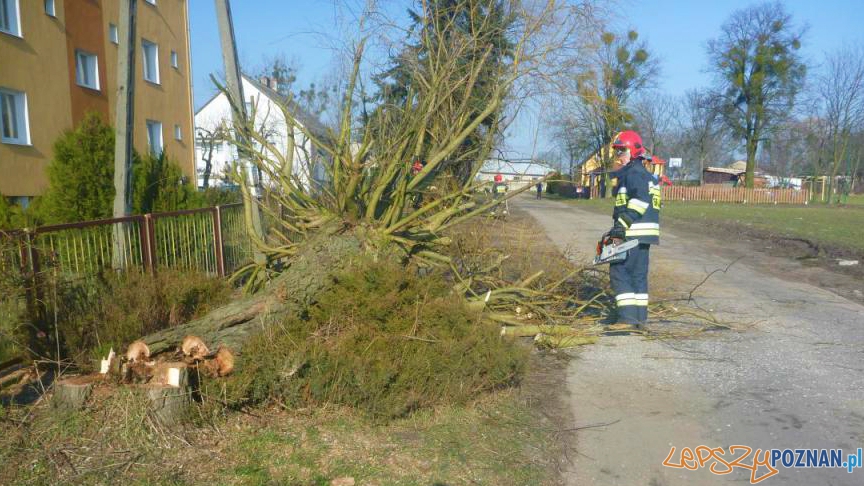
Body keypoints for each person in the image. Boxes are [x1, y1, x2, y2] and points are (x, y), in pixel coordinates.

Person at [607, 130, 661, 330]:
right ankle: (639, 319)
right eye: (617, 151)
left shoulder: (634, 174)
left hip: (633, 231)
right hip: (645, 234)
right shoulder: (646, 175)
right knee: (638, 276)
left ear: (633, 152)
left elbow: (640, 200)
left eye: (622, 151)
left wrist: (621, 226)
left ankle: (627, 318)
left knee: (619, 271)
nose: (618, 156)